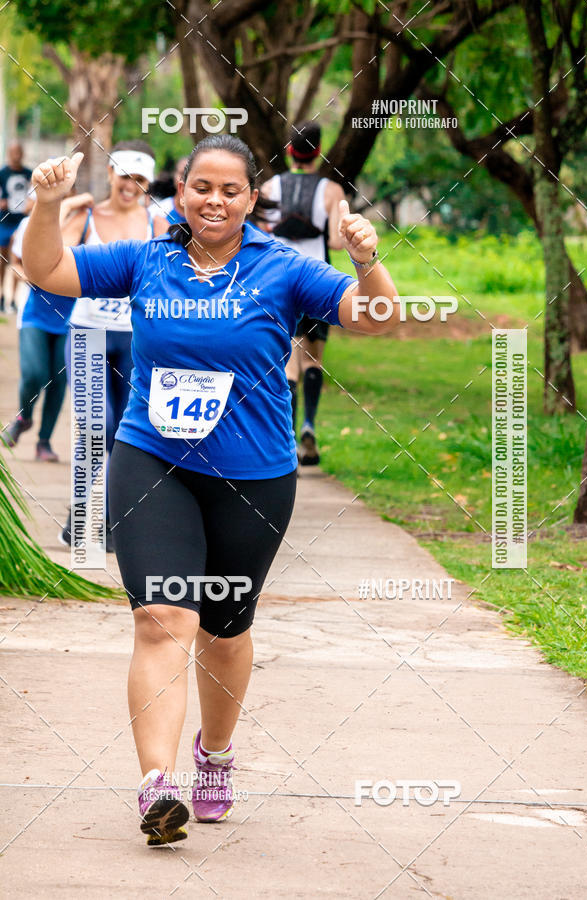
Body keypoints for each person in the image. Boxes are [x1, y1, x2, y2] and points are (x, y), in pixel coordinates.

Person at [22, 136, 397, 847]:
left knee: (224, 629)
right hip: (152, 459)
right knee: (162, 617)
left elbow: (377, 317)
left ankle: (215, 756)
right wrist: (45, 207)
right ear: (180, 192)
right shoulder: (147, 259)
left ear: (252, 200)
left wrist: (367, 261)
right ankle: (156, 786)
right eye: (202, 187)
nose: (215, 201)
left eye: (231, 190)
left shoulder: (283, 268)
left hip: (253, 477)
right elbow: (48, 269)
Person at [59, 140, 166, 549]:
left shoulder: (157, 223)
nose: (131, 186)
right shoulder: (87, 216)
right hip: (88, 333)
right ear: (110, 175)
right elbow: (49, 260)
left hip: (136, 341)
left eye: (139, 179)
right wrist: (63, 209)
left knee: (127, 432)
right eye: (125, 177)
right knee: (94, 425)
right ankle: (86, 511)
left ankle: (104, 515)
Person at [262, 122, 346, 465]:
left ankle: (290, 439)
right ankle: (310, 426)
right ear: (319, 152)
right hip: (319, 281)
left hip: (281, 281)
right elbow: (339, 242)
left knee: (289, 365)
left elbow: (262, 233)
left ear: (288, 151)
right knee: (314, 359)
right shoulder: (332, 190)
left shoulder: (270, 186)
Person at [2, 192, 93, 461]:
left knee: (58, 380)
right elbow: (15, 263)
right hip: (35, 315)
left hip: (72, 318)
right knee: (33, 373)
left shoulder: (86, 223)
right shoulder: (29, 224)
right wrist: (31, 277)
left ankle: (44, 442)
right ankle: (24, 417)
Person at [0, 140, 32, 313]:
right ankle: (2, 296)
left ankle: (12, 298)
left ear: (22, 153)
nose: (16, 155)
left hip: (20, 223)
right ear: (8, 153)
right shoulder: (2, 173)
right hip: (4, 222)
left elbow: (34, 195)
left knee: (16, 261)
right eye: (12, 152)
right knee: (2, 261)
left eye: (18, 152)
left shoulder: (29, 174)